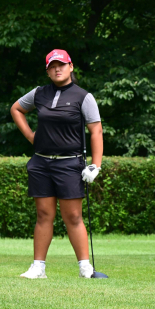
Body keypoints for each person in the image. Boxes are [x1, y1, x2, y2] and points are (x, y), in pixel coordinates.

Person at [10, 49, 103, 279]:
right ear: (48, 71)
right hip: (41, 163)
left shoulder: (83, 96)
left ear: (71, 67)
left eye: (61, 64)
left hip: (70, 163)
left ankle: (85, 268)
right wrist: (32, 137)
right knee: (43, 215)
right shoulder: (40, 93)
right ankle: (38, 267)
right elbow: (16, 109)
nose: (57, 69)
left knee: (73, 216)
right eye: (52, 66)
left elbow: (96, 130)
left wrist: (95, 164)